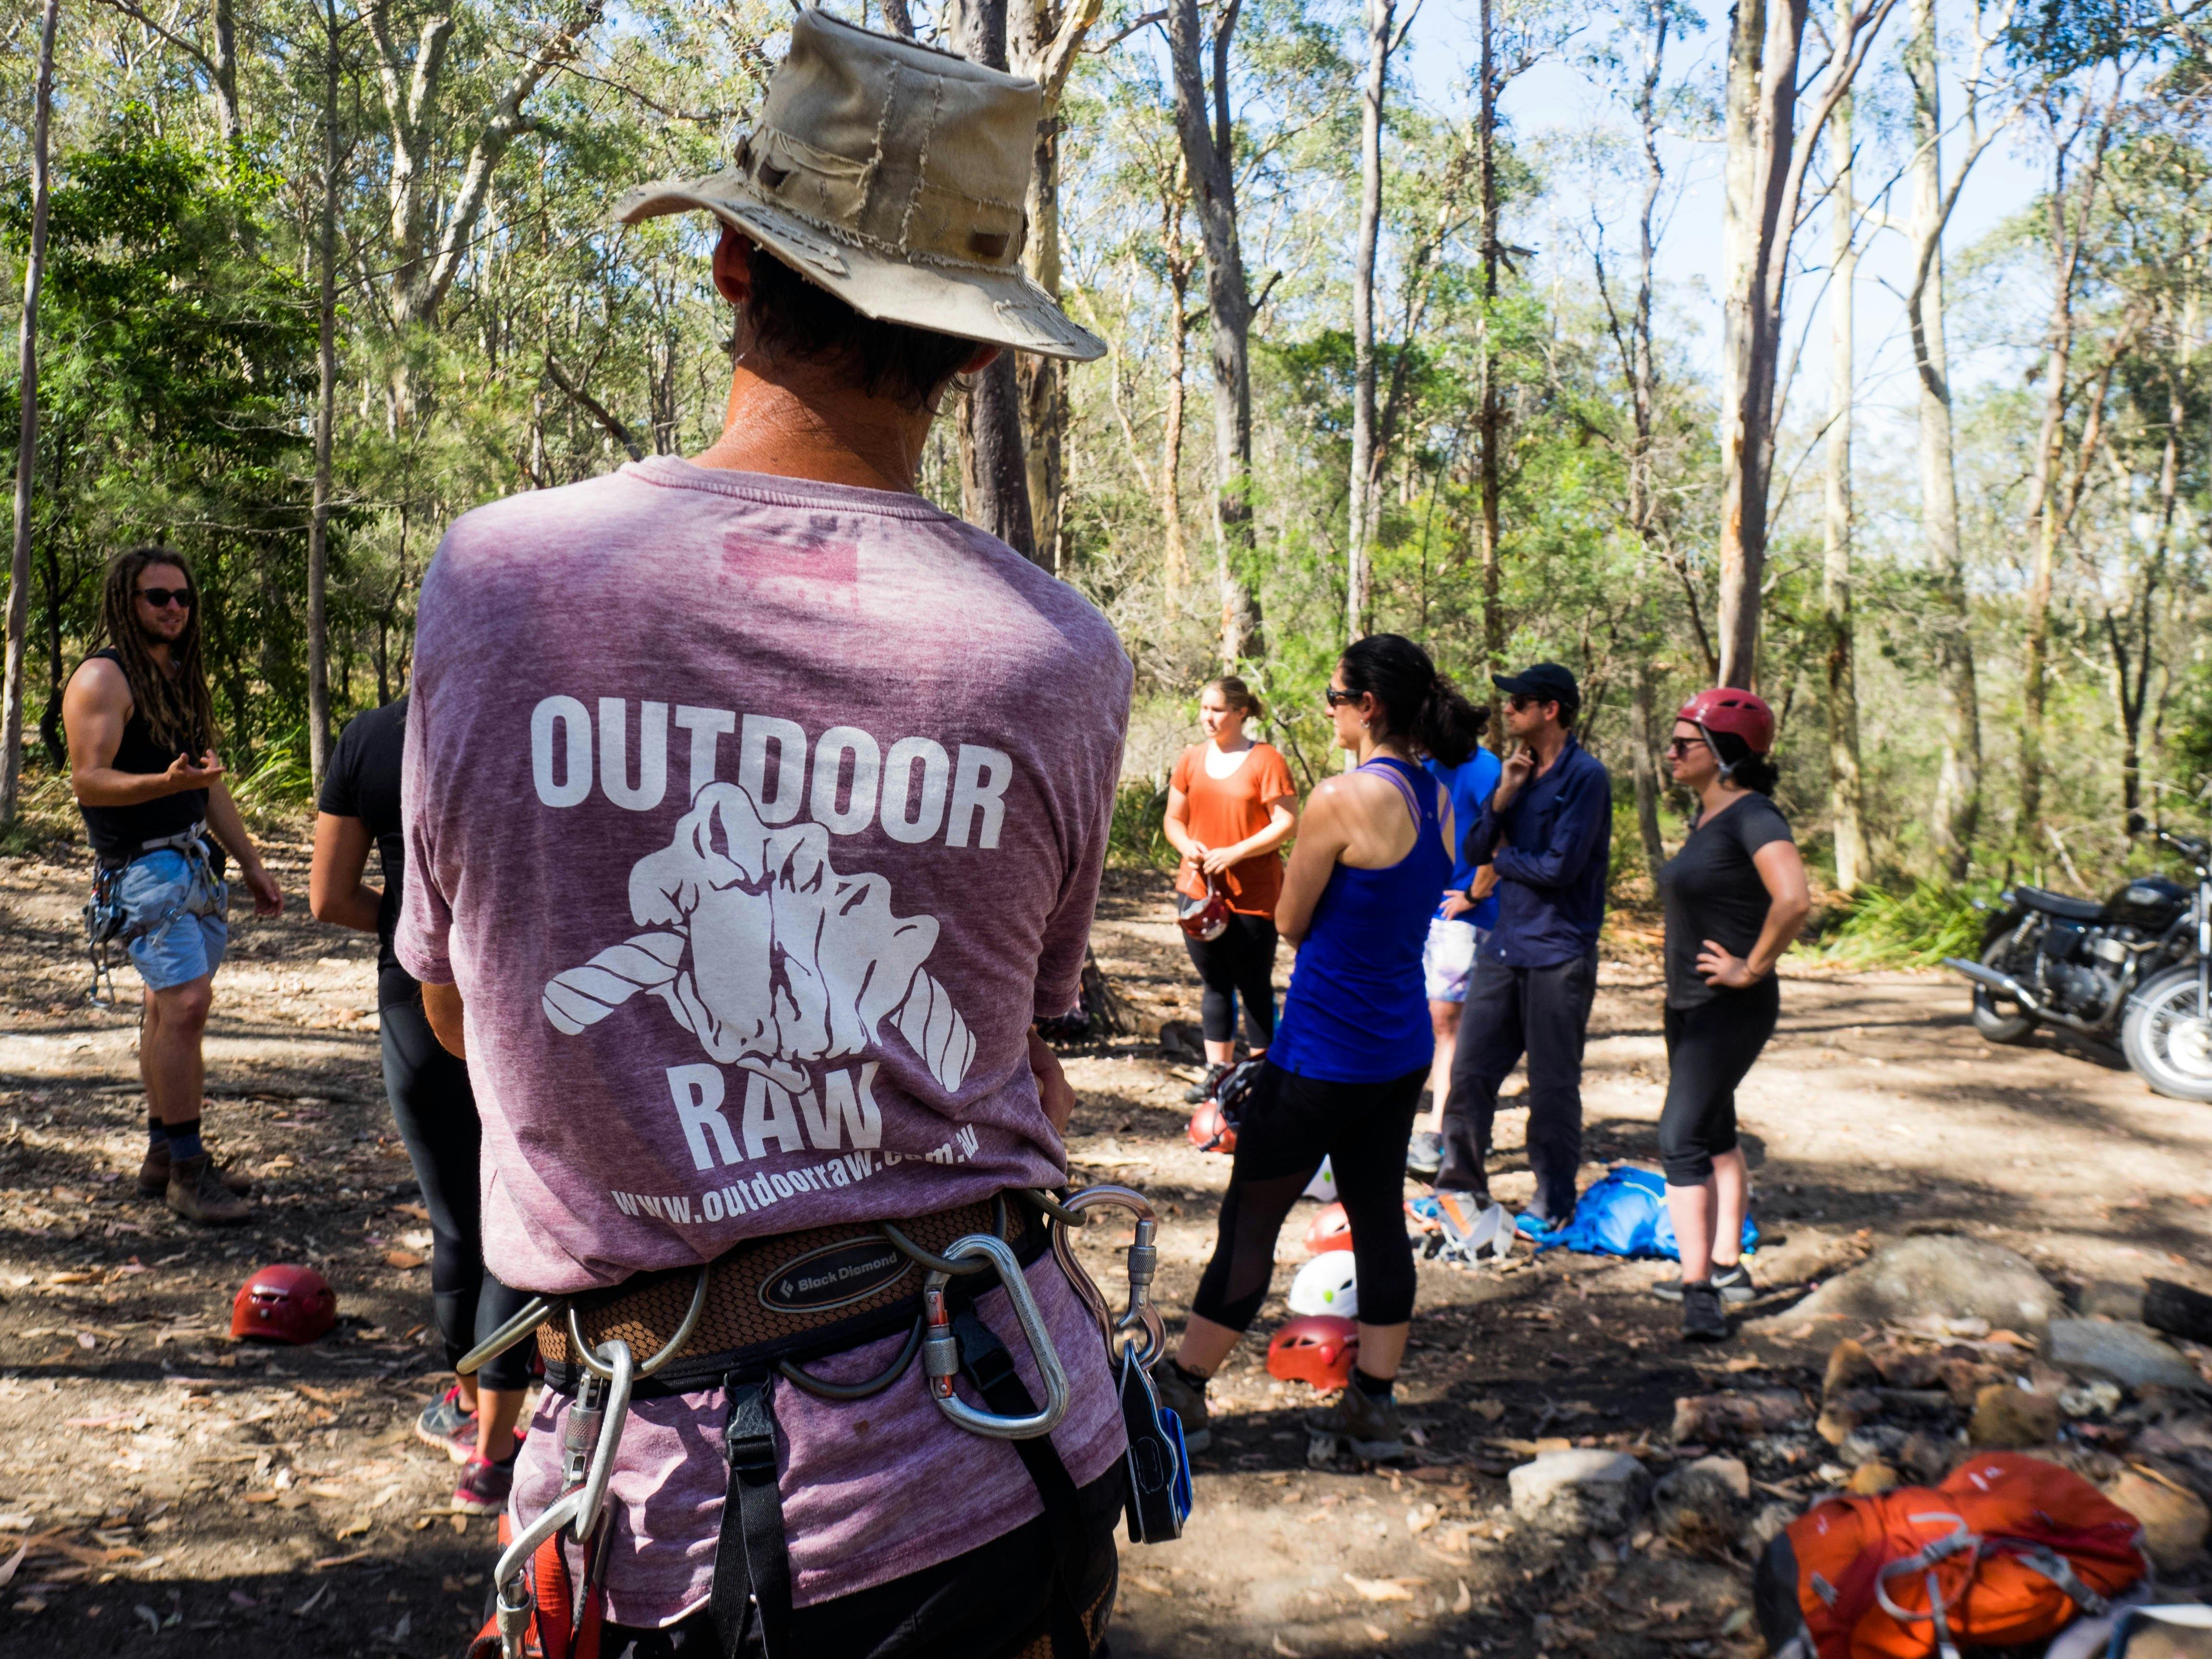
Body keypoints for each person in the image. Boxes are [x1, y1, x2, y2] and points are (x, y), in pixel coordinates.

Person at [395, 15, 1133, 1654]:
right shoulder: (1051, 656)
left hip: (652, 1481)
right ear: (982, 347)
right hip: (998, 1456)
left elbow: (461, 1011)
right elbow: (1019, 1051)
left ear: (730, 257)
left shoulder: (503, 581)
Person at [1154, 635, 1486, 1461]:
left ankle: (1183, 1390)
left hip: (1320, 1056)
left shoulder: (1342, 797)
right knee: (1376, 1218)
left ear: (1367, 705)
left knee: (1251, 1219)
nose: (1328, 707)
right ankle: (1372, 1402)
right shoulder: (1437, 796)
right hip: (1397, 1048)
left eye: (1335, 696)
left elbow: (1292, 922)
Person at [309, 695, 538, 1512]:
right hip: (538, 996)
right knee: (523, 1207)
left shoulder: (372, 736)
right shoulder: (547, 718)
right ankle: (497, 1445)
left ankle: (480, 1416)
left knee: (456, 1219)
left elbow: (330, 895)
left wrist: (414, 930)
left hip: (418, 995)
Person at [61, 547, 282, 1225]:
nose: (174, 609)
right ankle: (188, 1172)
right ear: (127, 601)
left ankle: (166, 1154)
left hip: (193, 864)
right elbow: (88, 779)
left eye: (184, 598)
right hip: (140, 868)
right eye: (159, 597)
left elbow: (206, 787)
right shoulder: (104, 677)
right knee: (186, 1003)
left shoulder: (180, 676)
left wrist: (250, 861)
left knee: (169, 1008)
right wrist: (166, 784)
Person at [1651, 690, 1809, 1341]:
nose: (1670, 753)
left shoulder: (1753, 815)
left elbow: (1794, 898)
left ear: (1722, 756)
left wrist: (1753, 965)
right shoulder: (1706, 818)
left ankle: (1699, 1296)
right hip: (1690, 1004)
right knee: (1714, 1132)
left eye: (1684, 743)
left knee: (1679, 1138)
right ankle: (1726, 1268)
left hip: (1729, 1006)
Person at [1433, 661, 1611, 1233]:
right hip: (1505, 947)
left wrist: (1506, 863)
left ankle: (1553, 1199)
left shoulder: (1587, 778)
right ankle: (1459, 1186)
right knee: (1470, 1073)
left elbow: (1560, 867)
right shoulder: (1518, 772)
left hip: (1560, 953)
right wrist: (1506, 794)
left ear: (1550, 710)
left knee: (1553, 1087)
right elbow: (1480, 847)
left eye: (1518, 703)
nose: (1506, 710)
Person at [1162, 676, 1298, 1102]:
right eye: (1204, 708)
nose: (1208, 717)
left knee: (1254, 983)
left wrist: (1236, 852)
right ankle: (1218, 1074)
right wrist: (1189, 847)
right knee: (1215, 983)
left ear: (1241, 712)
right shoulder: (1191, 759)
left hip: (1253, 895)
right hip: (1198, 891)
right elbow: (1174, 820)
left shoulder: (1267, 760)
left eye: (1218, 709)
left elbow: (1286, 823)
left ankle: (1262, 1076)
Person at [1406, 728, 1500, 1178]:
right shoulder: (1419, 766)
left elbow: (1504, 837)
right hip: (1423, 911)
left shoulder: (1484, 768)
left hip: (1462, 917)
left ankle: (1440, 1129)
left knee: (1448, 1021)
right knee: (1428, 1018)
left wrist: (1474, 895)